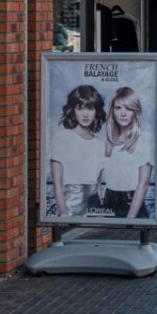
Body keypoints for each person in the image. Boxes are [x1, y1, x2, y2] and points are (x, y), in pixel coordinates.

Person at [48, 84, 105, 219]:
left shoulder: (100, 144)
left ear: (96, 111)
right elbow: (57, 184)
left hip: (94, 210)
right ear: (73, 110)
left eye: (90, 108)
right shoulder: (62, 138)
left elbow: (98, 185)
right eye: (80, 108)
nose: (85, 114)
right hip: (69, 209)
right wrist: (64, 215)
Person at [101, 86, 152, 219]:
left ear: (135, 111)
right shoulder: (107, 140)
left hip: (132, 205)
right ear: (113, 110)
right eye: (118, 108)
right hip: (108, 203)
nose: (123, 113)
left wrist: (130, 218)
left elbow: (144, 184)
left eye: (128, 108)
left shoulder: (143, 139)